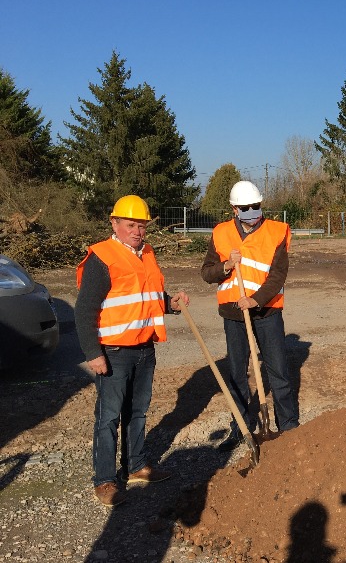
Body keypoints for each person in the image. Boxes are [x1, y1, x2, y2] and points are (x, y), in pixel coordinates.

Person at [75, 195, 189, 507]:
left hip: (144, 348)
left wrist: (170, 304)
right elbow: (84, 310)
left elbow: (147, 296)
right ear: (115, 224)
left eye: (142, 226)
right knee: (108, 417)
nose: (137, 231)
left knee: (138, 412)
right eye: (131, 225)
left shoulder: (147, 253)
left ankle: (136, 466)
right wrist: (93, 353)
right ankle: (104, 480)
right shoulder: (103, 257)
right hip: (113, 352)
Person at [201, 180, 299, 452]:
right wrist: (226, 266)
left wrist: (256, 299)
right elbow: (207, 273)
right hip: (233, 314)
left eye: (256, 206)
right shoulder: (220, 233)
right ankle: (241, 428)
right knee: (237, 373)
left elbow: (278, 275)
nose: (252, 212)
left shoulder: (276, 231)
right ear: (234, 209)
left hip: (267, 311)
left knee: (278, 369)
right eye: (245, 208)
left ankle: (288, 425)